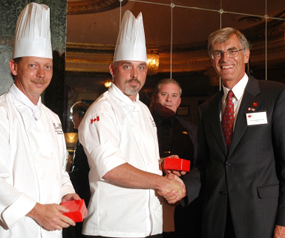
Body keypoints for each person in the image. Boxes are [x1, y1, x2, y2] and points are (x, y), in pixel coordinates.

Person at [78, 10, 185, 238]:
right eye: (127, 66)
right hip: (113, 228)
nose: (135, 74)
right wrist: (162, 183)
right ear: (112, 69)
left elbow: (135, 158)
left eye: (141, 67)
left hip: (149, 225)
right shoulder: (102, 109)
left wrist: (162, 164)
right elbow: (111, 168)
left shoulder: (143, 109)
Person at [182, 27, 285, 238]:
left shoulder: (275, 95)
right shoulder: (206, 109)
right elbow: (205, 166)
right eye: (217, 53)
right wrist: (181, 187)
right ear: (212, 60)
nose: (224, 58)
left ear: (246, 55)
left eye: (232, 51)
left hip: (262, 219)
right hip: (217, 220)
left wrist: (284, 222)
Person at [0, 3, 80, 238]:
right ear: (14, 67)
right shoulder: (2, 112)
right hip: (14, 230)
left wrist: (67, 193)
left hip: (52, 229)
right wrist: (35, 211)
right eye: (33, 65)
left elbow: (59, 172)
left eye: (47, 67)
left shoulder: (52, 118)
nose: (41, 75)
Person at [151, 78, 202, 238]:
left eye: (174, 96)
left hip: (182, 203)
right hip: (147, 197)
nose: (168, 100)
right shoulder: (140, 125)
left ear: (179, 101)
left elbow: (199, 164)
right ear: (154, 97)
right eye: (164, 94)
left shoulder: (192, 130)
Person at [69, 101, 91, 238]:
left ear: (78, 115)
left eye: (72, 117)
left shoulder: (85, 133)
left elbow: (83, 167)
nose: (72, 120)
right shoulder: (85, 130)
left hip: (84, 189)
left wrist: (66, 178)